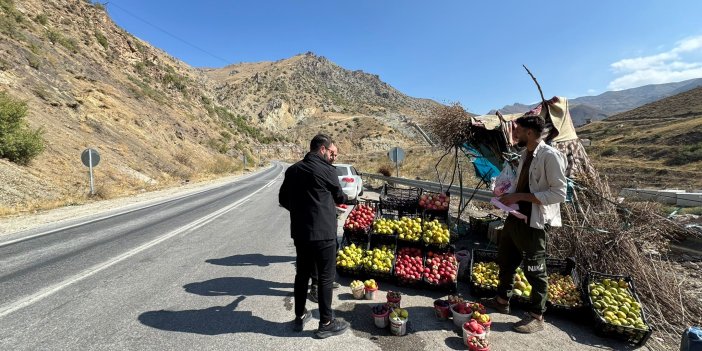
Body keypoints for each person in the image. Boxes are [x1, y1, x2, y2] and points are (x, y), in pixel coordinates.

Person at [480, 115, 567, 333]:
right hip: (515, 216)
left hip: (534, 221)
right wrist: (504, 196)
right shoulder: (526, 154)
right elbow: (522, 185)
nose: (515, 133)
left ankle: (537, 316)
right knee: (506, 259)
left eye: (518, 130)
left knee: (535, 269)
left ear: (530, 132)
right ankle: (502, 301)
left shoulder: (550, 156)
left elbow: (559, 193)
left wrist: (520, 197)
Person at [279, 134, 350, 338]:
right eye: (330, 151)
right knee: (326, 278)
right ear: (322, 149)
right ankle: (326, 322)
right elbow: (339, 195)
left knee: (301, 275)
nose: (331, 155)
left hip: (301, 233)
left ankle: (299, 316)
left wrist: (301, 212)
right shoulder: (327, 169)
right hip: (324, 233)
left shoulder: (293, 170)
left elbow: (283, 199)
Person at [309, 146, 341, 303]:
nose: (333, 157)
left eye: (335, 155)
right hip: (316, 222)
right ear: (324, 151)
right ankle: (315, 285)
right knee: (316, 255)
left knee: (331, 250)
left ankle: (325, 282)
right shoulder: (317, 170)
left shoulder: (329, 170)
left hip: (328, 219)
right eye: (331, 154)